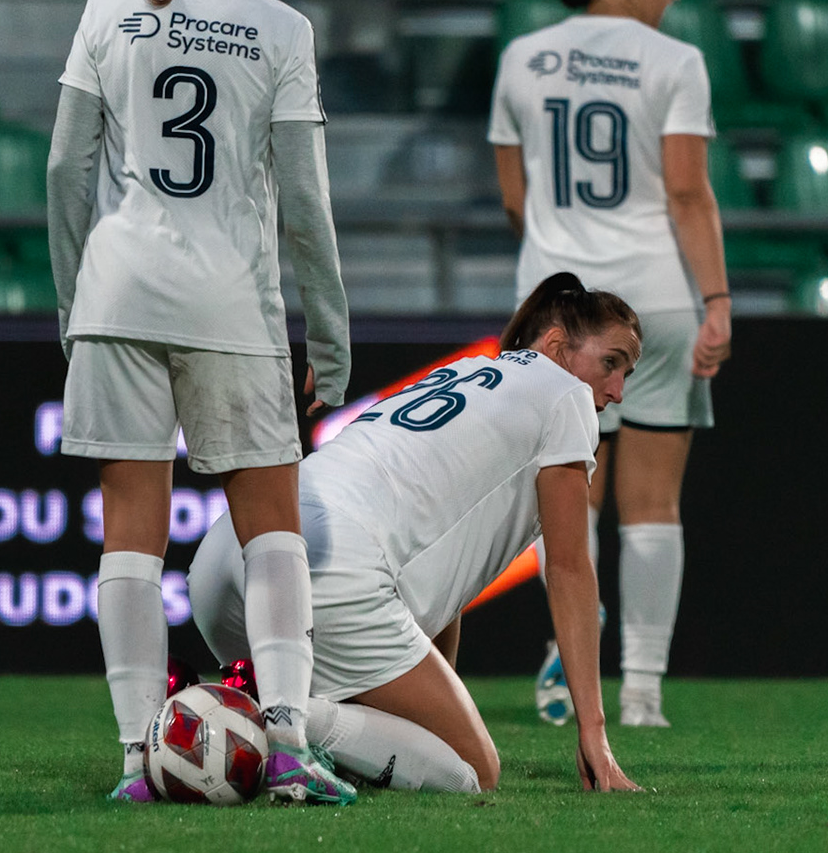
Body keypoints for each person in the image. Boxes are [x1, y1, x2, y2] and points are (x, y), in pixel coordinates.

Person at [47, 0, 356, 805]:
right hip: (230, 303)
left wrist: (73, 305)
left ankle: (142, 759)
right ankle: (292, 747)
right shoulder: (281, 31)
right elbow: (305, 204)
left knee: (130, 541)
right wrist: (333, 333)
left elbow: (64, 172)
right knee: (273, 538)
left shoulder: (108, 11)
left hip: (119, 297)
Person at [189, 274, 646, 794]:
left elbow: (442, 573)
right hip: (334, 568)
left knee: (406, 743)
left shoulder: (467, 371)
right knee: (473, 770)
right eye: (610, 362)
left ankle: (245, 700)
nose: (617, 389)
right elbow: (567, 567)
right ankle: (269, 716)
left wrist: (433, 693)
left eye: (627, 372)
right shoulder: (567, 396)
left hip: (231, 550)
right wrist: (594, 731)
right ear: (557, 346)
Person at [488, 0, 731, 730]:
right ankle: (643, 695)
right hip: (654, 299)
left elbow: (515, 198)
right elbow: (688, 192)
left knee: (566, 496)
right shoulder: (676, 61)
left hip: (557, 310)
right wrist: (719, 301)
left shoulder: (523, 57)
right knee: (654, 505)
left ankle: (572, 645)